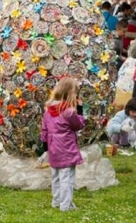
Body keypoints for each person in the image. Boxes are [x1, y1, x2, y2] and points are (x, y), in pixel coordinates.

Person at [40, 78, 86, 212]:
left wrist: (46, 148)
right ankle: (66, 205)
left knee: (55, 176)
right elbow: (79, 125)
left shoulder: (48, 110)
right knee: (67, 178)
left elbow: (44, 130)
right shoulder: (69, 111)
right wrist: (80, 109)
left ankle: (56, 201)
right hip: (66, 148)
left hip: (53, 148)